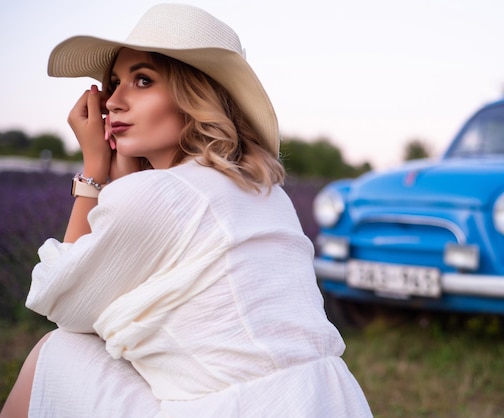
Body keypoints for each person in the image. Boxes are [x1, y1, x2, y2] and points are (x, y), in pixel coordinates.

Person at [0, 4, 372, 417]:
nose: (115, 102)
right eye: (114, 83)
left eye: (143, 81)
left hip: (238, 409)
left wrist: (94, 173)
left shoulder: (162, 193)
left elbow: (58, 297)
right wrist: (126, 178)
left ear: (194, 98)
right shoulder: (264, 190)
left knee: (56, 350)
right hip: (328, 402)